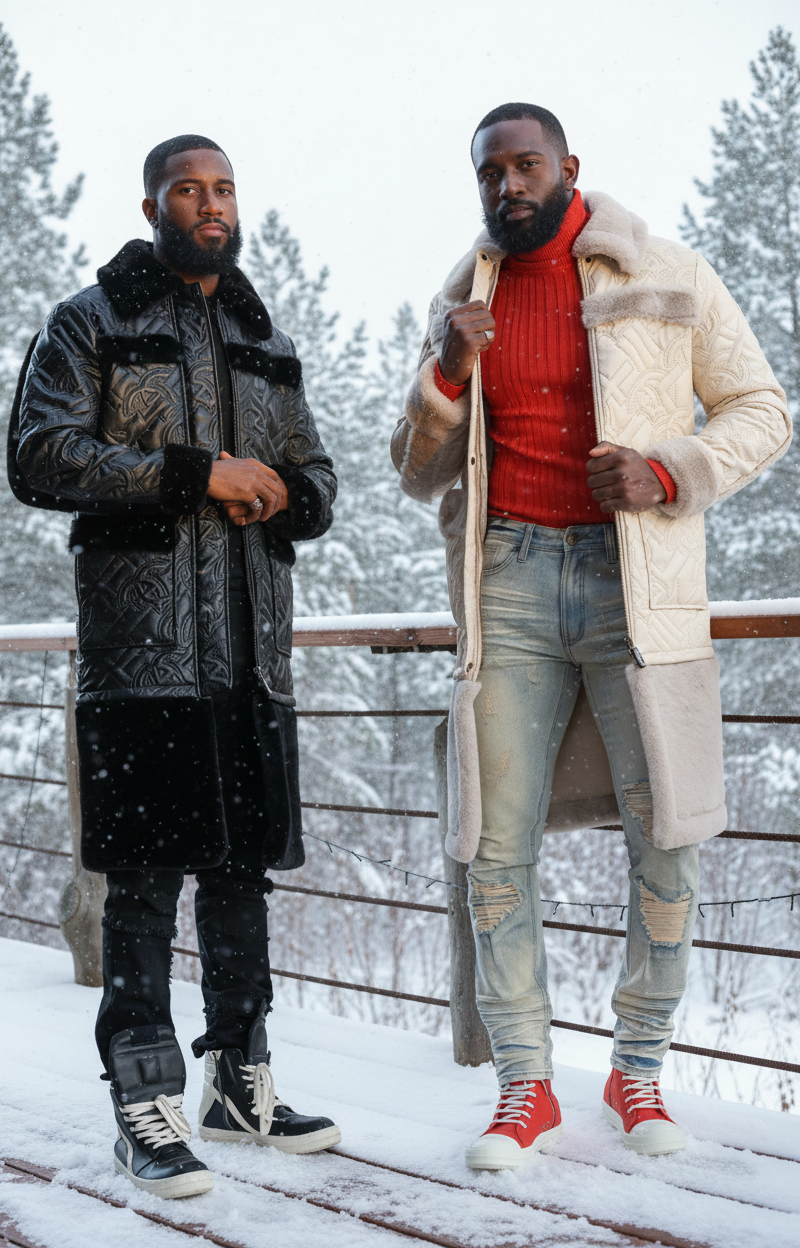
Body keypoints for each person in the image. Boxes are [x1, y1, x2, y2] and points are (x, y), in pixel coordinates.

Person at [392, 103, 790, 1170]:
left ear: (569, 168)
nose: (507, 186)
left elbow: (762, 409)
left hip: (638, 587)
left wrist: (666, 469)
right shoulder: (463, 296)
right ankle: (525, 1086)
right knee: (492, 844)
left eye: (525, 165)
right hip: (509, 585)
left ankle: (638, 1069)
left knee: (667, 835)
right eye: (490, 172)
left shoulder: (666, 273)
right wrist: (444, 373)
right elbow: (415, 469)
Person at [13, 135, 340, 1198]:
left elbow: (318, 473)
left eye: (223, 188)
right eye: (188, 189)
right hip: (142, 655)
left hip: (252, 653)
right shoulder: (90, 322)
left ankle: (238, 1083)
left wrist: (288, 491)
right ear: (151, 206)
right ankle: (141, 1102)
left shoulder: (265, 337)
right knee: (145, 887)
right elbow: (40, 455)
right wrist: (200, 474)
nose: (210, 204)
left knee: (241, 875)